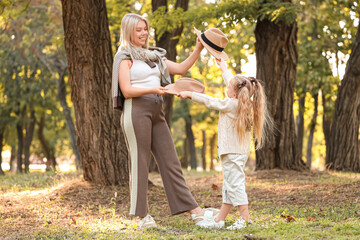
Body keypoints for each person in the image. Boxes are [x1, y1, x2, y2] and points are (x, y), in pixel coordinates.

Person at [111, 13, 217, 229]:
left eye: (145, 29)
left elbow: (181, 69)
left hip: (157, 111)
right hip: (136, 111)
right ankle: (142, 216)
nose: (143, 33)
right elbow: (127, 90)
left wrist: (198, 48)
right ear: (129, 31)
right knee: (140, 162)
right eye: (138, 29)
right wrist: (154, 88)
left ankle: (195, 212)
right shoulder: (124, 57)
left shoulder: (154, 56)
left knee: (171, 161)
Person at [178, 59, 273, 230]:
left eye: (228, 88)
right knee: (229, 187)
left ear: (235, 94)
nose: (226, 89)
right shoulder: (244, 102)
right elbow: (233, 83)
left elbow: (211, 102)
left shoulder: (231, 104)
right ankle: (219, 220)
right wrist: (223, 67)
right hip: (237, 153)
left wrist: (190, 94)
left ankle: (244, 219)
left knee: (235, 185)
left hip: (232, 154)